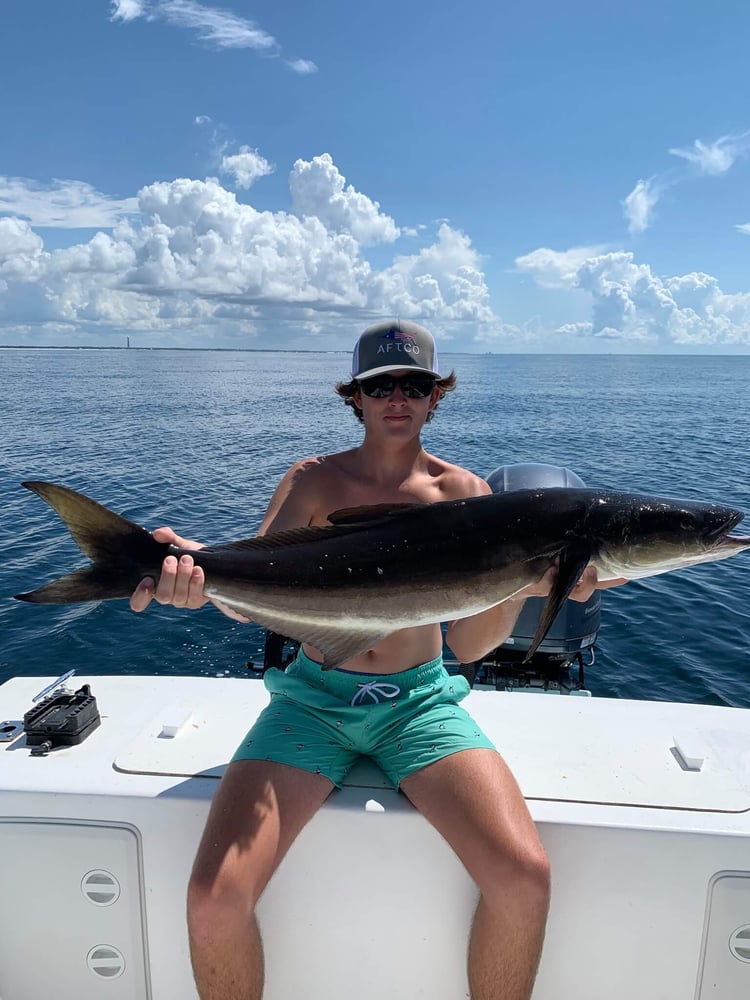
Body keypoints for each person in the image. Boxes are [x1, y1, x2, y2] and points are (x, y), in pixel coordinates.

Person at [130, 319, 625, 1000]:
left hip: (419, 704)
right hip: (312, 699)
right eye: (380, 385)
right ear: (355, 397)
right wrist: (193, 572)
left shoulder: (466, 494)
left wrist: (532, 584)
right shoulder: (311, 482)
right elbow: (252, 591)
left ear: (434, 398)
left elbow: (472, 648)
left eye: (414, 384)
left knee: (524, 877)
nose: (398, 396)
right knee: (213, 898)